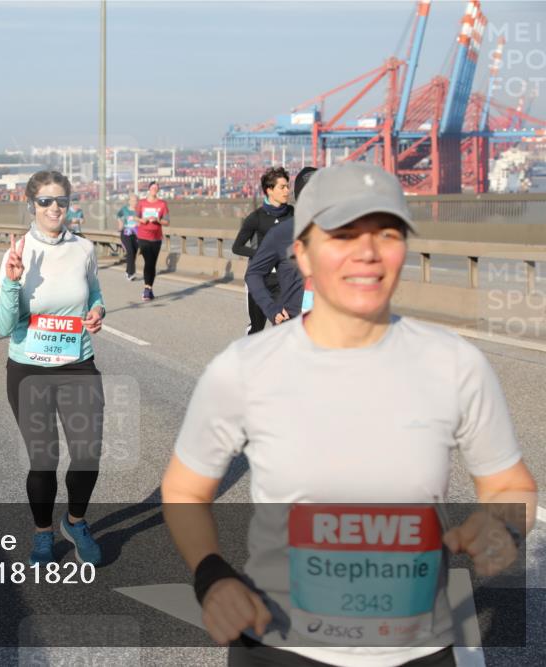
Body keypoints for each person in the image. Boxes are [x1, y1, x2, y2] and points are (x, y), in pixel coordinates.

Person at [162, 162, 537, 667]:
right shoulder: (244, 368)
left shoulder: (455, 364)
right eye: (342, 234)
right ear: (303, 253)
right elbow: (185, 489)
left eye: (386, 232)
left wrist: (504, 528)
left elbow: (509, 484)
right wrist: (212, 576)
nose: (367, 252)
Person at [0, 170, 107, 567]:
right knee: (44, 459)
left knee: (88, 453)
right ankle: (42, 534)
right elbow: (2, 326)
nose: (54, 208)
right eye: (45, 201)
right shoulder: (18, 251)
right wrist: (12, 282)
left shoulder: (84, 249)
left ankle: (75, 522)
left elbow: (93, 290)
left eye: (61, 201)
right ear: (31, 205)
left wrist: (97, 310)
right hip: (29, 369)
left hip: (77, 363)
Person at [244, 167, 317, 327]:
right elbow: (253, 273)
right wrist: (272, 309)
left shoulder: (340, 232)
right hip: (292, 327)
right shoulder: (281, 233)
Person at [233, 167, 293, 334]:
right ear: (269, 190)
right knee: (257, 328)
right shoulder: (256, 218)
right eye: (282, 187)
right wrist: (264, 256)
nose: (287, 191)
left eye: (288, 186)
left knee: (285, 325)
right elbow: (237, 247)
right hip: (259, 279)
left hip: (283, 280)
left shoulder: (293, 214)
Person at [134, 181, 170, 301]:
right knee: (148, 261)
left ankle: (149, 289)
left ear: (158, 190)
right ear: (149, 189)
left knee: (152, 264)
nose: (154, 189)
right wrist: (142, 220)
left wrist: (158, 220)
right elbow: (134, 217)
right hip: (143, 237)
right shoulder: (142, 203)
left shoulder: (162, 204)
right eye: (152, 187)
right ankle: (146, 289)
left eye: (156, 188)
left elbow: (167, 222)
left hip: (156, 238)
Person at [116, 193, 140, 280]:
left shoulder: (139, 211)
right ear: (129, 201)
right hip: (126, 234)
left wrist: (139, 222)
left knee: (133, 253)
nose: (134, 202)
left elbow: (143, 220)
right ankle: (131, 273)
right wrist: (120, 223)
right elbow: (118, 215)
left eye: (136, 201)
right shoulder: (124, 209)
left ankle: (127, 271)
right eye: (132, 200)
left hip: (136, 234)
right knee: (129, 252)